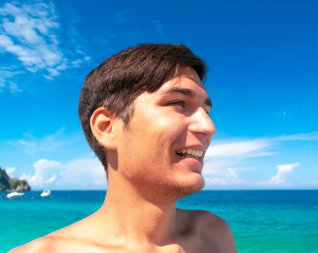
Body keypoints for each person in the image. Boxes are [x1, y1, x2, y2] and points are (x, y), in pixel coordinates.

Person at [9, 44, 237, 253]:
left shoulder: (214, 233)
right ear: (107, 127)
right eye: (178, 103)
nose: (209, 127)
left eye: (206, 112)